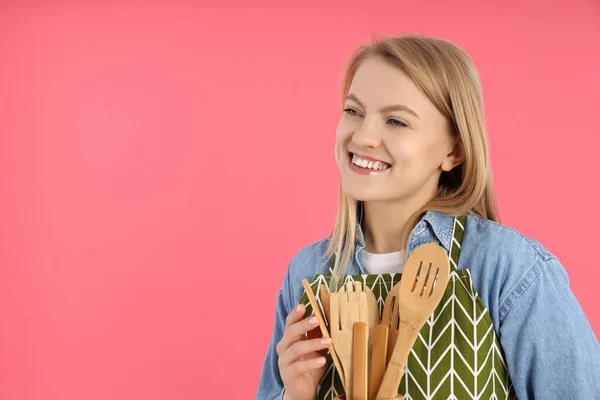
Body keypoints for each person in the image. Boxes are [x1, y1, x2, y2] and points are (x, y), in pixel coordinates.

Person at [255, 34, 600, 400]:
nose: (364, 136)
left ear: (455, 150)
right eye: (354, 111)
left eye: (397, 122)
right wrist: (296, 395)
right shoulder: (309, 274)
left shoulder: (505, 269)